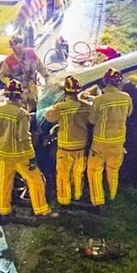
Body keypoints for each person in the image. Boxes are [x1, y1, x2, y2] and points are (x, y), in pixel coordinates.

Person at [0, 79, 52, 219]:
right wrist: (31, 157)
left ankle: (4, 210)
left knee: (4, 182)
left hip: (3, 154)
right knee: (35, 180)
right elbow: (24, 137)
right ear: (19, 96)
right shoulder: (21, 114)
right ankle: (41, 210)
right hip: (20, 155)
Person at [86, 68, 133, 206]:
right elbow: (129, 113)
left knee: (94, 171)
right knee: (113, 170)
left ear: (105, 82)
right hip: (118, 142)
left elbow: (92, 120)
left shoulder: (99, 101)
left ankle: (98, 200)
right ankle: (112, 196)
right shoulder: (126, 98)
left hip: (100, 143)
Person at [45, 75, 91, 206]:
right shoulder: (86, 106)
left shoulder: (60, 107)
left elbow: (49, 118)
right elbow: (92, 120)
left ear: (65, 92)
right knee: (78, 173)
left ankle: (64, 200)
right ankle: (77, 196)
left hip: (65, 147)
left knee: (63, 174)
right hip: (81, 146)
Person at [0, 35, 49, 112]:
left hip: (32, 86)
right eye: (18, 48)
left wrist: (46, 75)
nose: (20, 50)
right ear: (13, 48)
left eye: (22, 47)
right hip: (19, 91)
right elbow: (2, 75)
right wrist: (11, 83)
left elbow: (39, 65)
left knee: (34, 107)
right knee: (21, 111)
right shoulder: (9, 61)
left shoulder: (31, 53)